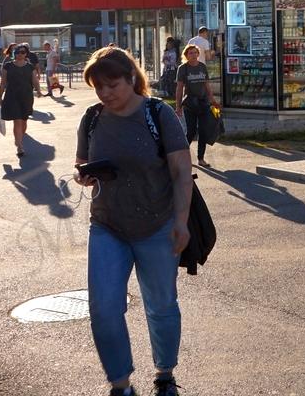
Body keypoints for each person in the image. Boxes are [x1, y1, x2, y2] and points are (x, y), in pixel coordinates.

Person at [74, 46, 192, 396]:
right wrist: (83, 175)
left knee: (161, 305)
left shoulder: (158, 114)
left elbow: (181, 171)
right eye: (98, 86)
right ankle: (121, 385)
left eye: (112, 85)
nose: (105, 93)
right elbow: (80, 163)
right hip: (107, 225)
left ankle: (165, 373)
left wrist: (181, 221)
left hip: (158, 224)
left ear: (131, 78)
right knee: (103, 309)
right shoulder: (92, 118)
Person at [175, 43, 220, 169]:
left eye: (195, 53)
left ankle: (201, 158)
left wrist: (213, 100)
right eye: (191, 53)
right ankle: (181, 156)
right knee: (191, 131)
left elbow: (207, 85)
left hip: (203, 103)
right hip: (190, 104)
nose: (194, 55)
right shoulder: (183, 68)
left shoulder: (202, 67)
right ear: (186, 55)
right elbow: (179, 88)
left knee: (203, 130)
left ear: (198, 54)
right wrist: (178, 106)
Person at [0, 43, 40, 158]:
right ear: (14, 53)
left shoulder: (30, 67)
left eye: (23, 52)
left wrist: (39, 90)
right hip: (12, 96)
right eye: (18, 52)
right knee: (17, 120)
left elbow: (35, 80)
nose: (20, 54)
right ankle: (19, 146)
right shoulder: (8, 66)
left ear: (26, 54)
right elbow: (3, 82)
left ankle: (19, 137)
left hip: (26, 97)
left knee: (24, 121)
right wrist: (0, 96)